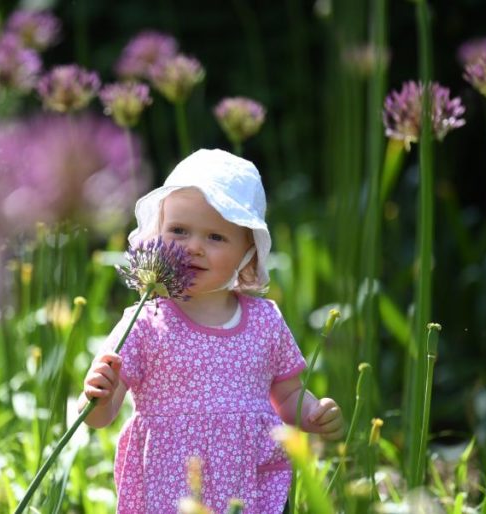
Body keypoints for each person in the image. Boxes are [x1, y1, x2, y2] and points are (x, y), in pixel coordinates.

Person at [77, 149, 344, 513]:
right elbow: (99, 416)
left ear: (247, 252)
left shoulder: (265, 321)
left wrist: (314, 412)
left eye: (216, 237)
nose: (194, 247)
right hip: (168, 484)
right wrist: (97, 393)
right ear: (157, 233)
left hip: (246, 482)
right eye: (179, 230)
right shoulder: (145, 322)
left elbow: (288, 395)